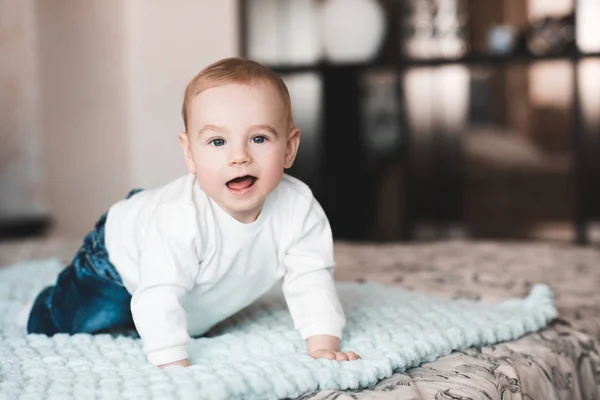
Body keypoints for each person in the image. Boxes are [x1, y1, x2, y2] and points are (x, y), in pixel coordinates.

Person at [27, 57, 360, 368]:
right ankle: (46, 303)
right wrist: (173, 362)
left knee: (177, 316)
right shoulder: (180, 218)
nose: (239, 157)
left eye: (258, 138)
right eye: (217, 142)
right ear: (189, 153)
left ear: (289, 148)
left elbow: (312, 277)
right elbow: (158, 293)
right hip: (117, 258)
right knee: (79, 320)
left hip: (178, 272)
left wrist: (322, 344)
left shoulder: (299, 209)